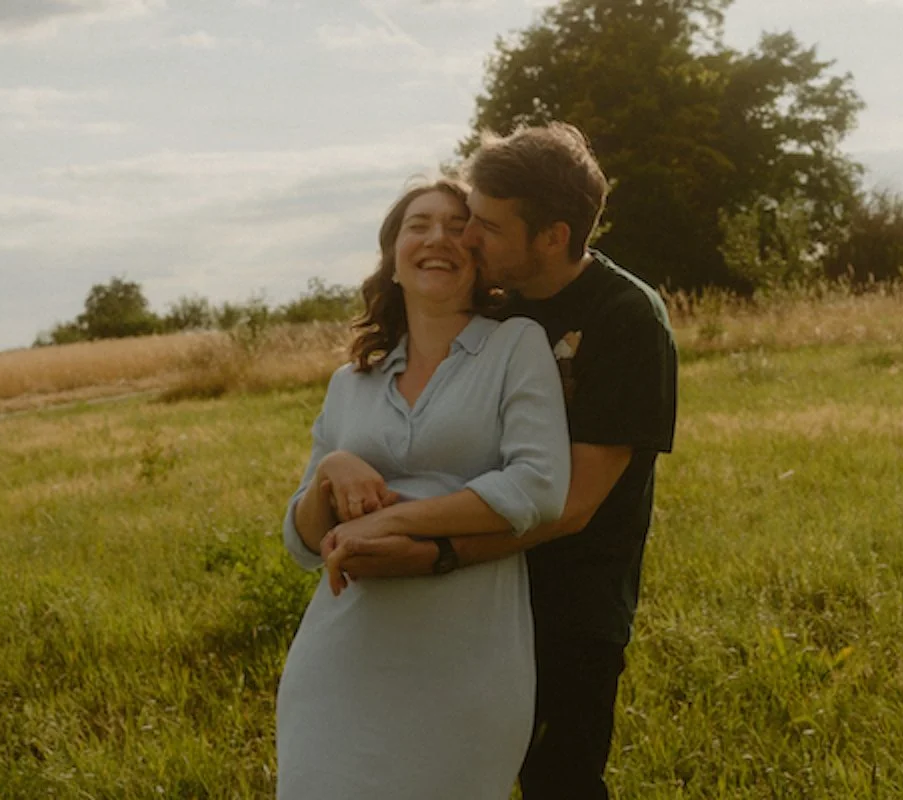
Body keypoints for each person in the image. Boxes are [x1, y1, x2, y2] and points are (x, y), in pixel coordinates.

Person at [331, 122, 679, 799]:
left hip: (569, 601)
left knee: (558, 781)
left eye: (486, 226)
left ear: (552, 235)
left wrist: (430, 547)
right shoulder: (491, 298)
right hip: (461, 601)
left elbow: (574, 505)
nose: (466, 239)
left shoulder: (626, 319)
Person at [276, 178, 571, 800]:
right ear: (393, 258)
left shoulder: (516, 345)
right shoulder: (350, 382)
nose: (437, 236)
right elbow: (303, 544)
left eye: (457, 224)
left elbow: (539, 486)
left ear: (479, 254)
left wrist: (396, 523)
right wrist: (332, 472)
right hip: (340, 661)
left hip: (466, 662)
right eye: (418, 224)